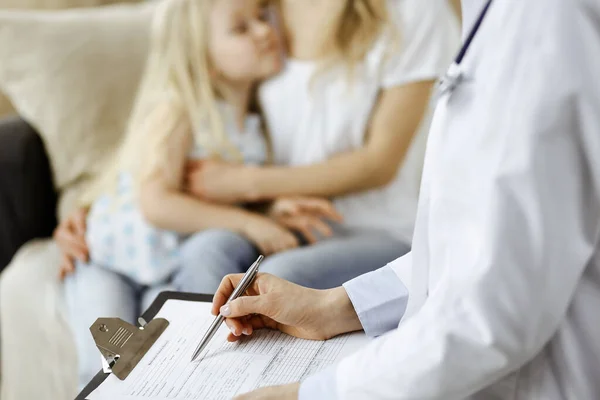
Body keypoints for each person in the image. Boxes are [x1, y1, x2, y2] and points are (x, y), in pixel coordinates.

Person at [209, 0, 600, 398]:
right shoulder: (497, 15)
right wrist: (335, 307)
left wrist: (310, 395)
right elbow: (472, 247)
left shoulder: (547, 21)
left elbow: (493, 315)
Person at [62, 0, 338, 389]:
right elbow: (157, 204)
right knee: (108, 364)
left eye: (261, 17)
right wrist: (250, 223)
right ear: (202, 57)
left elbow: (227, 198)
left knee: (159, 354)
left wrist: (274, 209)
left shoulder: (253, 125)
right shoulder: (181, 109)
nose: (264, 30)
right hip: (105, 261)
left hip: (165, 266)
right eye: (242, 29)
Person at [172, 0, 460, 292]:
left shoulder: (413, 12)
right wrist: (268, 208)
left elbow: (379, 164)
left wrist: (243, 182)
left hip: (377, 228)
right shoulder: (258, 12)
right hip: (283, 217)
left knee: (277, 277)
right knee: (206, 252)